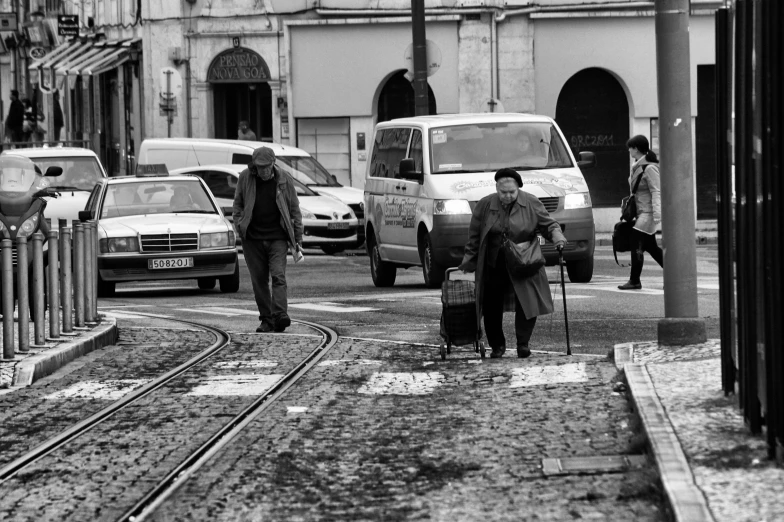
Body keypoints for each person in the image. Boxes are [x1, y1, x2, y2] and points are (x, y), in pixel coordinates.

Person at [459, 168, 566, 359]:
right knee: (491, 305)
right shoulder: (484, 205)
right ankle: (497, 346)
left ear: (518, 189)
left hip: (524, 261)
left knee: (528, 303)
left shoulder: (531, 202)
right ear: (497, 189)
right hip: (494, 262)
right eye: (503, 192)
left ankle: (523, 344)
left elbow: (549, 225)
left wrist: (557, 238)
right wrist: (468, 262)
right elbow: (474, 237)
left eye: (512, 192)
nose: (507, 196)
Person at [233, 146, 303, 333]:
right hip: (252, 239)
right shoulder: (245, 177)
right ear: (254, 165)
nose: (263, 171)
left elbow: (294, 209)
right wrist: (239, 224)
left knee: (278, 275)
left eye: (266, 167)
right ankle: (266, 319)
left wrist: (297, 238)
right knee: (259, 280)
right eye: (259, 167)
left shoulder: (284, 179)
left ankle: (280, 315)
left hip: (277, 238)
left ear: (273, 163)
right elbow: (238, 204)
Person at [618, 135, 663, 290]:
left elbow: (656, 191)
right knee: (651, 247)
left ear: (635, 148)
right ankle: (674, 275)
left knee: (635, 241)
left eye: (630, 147)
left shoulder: (649, 168)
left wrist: (658, 213)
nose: (629, 150)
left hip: (649, 213)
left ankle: (634, 280)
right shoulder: (637, 166)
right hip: (642, 212)